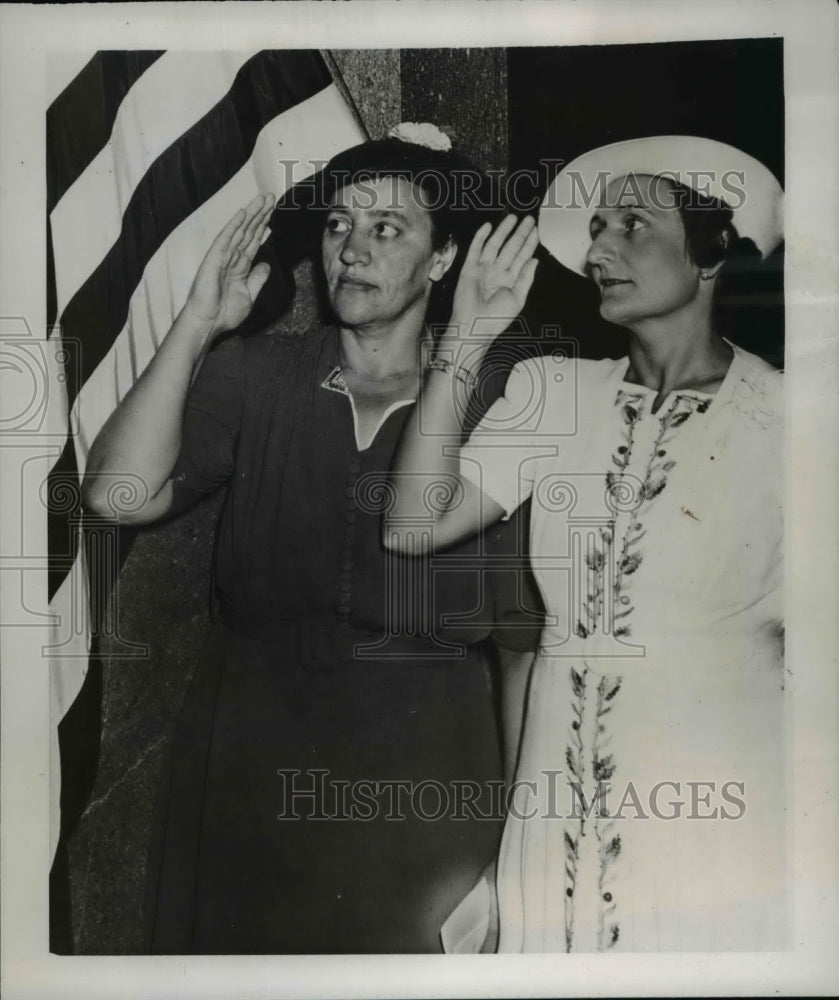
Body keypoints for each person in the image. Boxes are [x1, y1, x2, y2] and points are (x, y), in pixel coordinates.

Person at [82, 129, 539, 954]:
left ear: (444, 262)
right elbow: (117, 495)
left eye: (387, 230)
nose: (350, 251)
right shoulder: (257, 371)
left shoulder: (505, 398)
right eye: (336, 226)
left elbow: (520, 650)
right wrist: (196, 325)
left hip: (425, 763)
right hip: (251, 745)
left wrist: (513, 851)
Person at [387, 136, 785, 952]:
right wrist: (465, 336)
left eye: (631, 225)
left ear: (711, 252)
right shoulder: (555, 391)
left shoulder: (791, 418)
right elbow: (413, 522)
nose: (598, 248)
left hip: (718, 801)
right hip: (553, 797)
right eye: (596, 226)